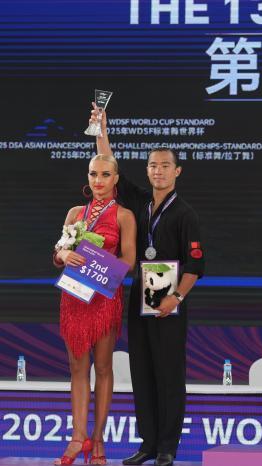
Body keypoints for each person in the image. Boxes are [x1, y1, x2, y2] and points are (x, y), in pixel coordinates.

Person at [89, 107, 205, 466]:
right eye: (153, 165)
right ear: (147, 170)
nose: (158, 171)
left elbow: (195, 265)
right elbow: (109, 164)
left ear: (177, 171)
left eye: (165, 166)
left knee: (169, 374)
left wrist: (176, 297)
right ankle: (148, 444)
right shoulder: (139, 202)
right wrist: (101, 129)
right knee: (142, 372)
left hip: (169, 301)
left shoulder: (185, 214)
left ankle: (168, 446)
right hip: (140, 296)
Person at [52, 153, 137, 465]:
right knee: (77, 369)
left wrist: (101, 264)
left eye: (105, 175)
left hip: (104, 299)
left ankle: (98, 440)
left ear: (116, 179)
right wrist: (63, 255)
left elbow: (129, 260)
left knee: (102, 368)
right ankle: (78, 438)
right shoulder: (75, 213)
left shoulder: (124, 215)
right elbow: (59, 252)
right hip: (74, 299)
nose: (98, 181)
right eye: (93, 174)